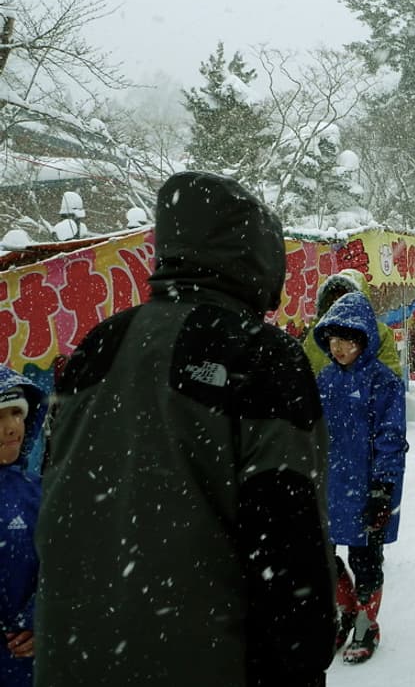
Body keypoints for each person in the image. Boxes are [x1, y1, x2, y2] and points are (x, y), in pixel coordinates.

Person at [36, 171, 337, 687]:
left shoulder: (97, 347)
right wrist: (300, 659)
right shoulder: (262, 356)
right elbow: (288, 536)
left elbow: (57, 499)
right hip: (205, 660)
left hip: (74, 652)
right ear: (259, 255)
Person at [314, 291, 408, 664]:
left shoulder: (382, 381)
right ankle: (345, 610)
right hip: (330, 486)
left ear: (364, 339)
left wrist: (383, 488)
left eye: (348, 340)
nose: (339, 348)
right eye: (333, 340)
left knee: (366, 558)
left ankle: (368, 624)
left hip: (369, 487)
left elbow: (391, 437)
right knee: (325, 556)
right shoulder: (323, 380)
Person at [0, 367, 44, 687]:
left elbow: (70, 567)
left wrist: (44, 621)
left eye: (17, 413)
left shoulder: (43, 493)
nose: (12, 427)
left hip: (27, 667)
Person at [303, 268, 402, 378]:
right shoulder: (316, 334)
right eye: (334, 299)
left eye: (346, 298)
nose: (339, 304)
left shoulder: (378, 333)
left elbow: (391, 380)